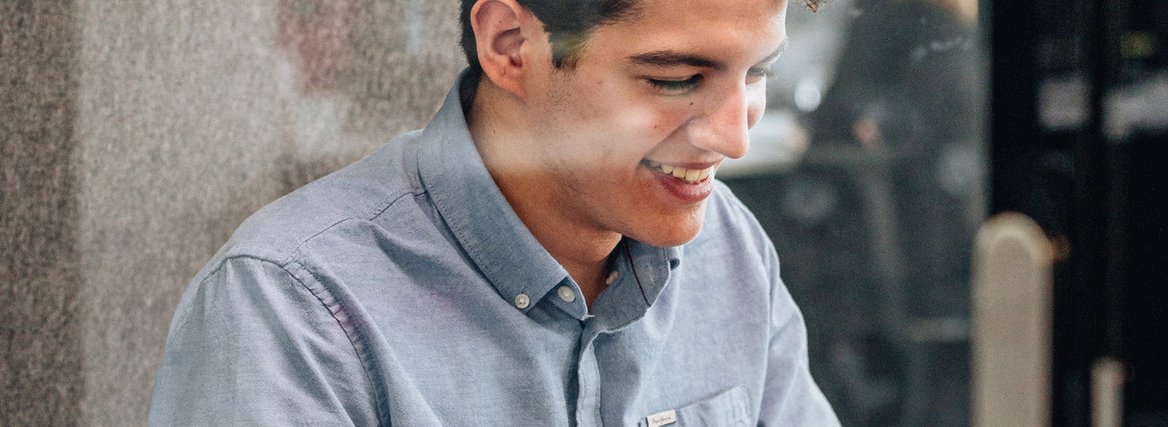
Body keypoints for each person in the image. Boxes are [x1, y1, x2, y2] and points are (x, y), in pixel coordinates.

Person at [148, 0, 840, 425]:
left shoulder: (728, 245)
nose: (734, 136)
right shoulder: (293, 308)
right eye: (675, 79)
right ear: (511, 44)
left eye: (756, 74)